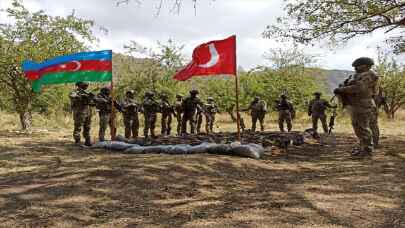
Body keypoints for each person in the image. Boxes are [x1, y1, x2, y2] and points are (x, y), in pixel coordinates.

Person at [334, 57, 378, 156]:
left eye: (357, 66)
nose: (355, 68)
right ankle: (363, 147)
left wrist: (342, 90)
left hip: (362, 105)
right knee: (358, 127)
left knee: (362, 128)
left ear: (365, 65)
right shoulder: (359, 75)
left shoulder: (369, 75)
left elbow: (359, 88)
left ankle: (367, 150)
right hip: (356, 104)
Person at [69, 81, 94, 146]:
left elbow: (92, 102)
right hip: (79, 112)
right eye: (84, 85)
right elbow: (72, 96)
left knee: (87, 127)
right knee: (78, 127)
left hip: (88, 112)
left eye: (86, 85)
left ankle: (87, 140)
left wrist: (90, 98)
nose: (86, 86)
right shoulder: (75, 92)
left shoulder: (87, 92)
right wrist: (81, 96)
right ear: (79, 85)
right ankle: (77, 141)